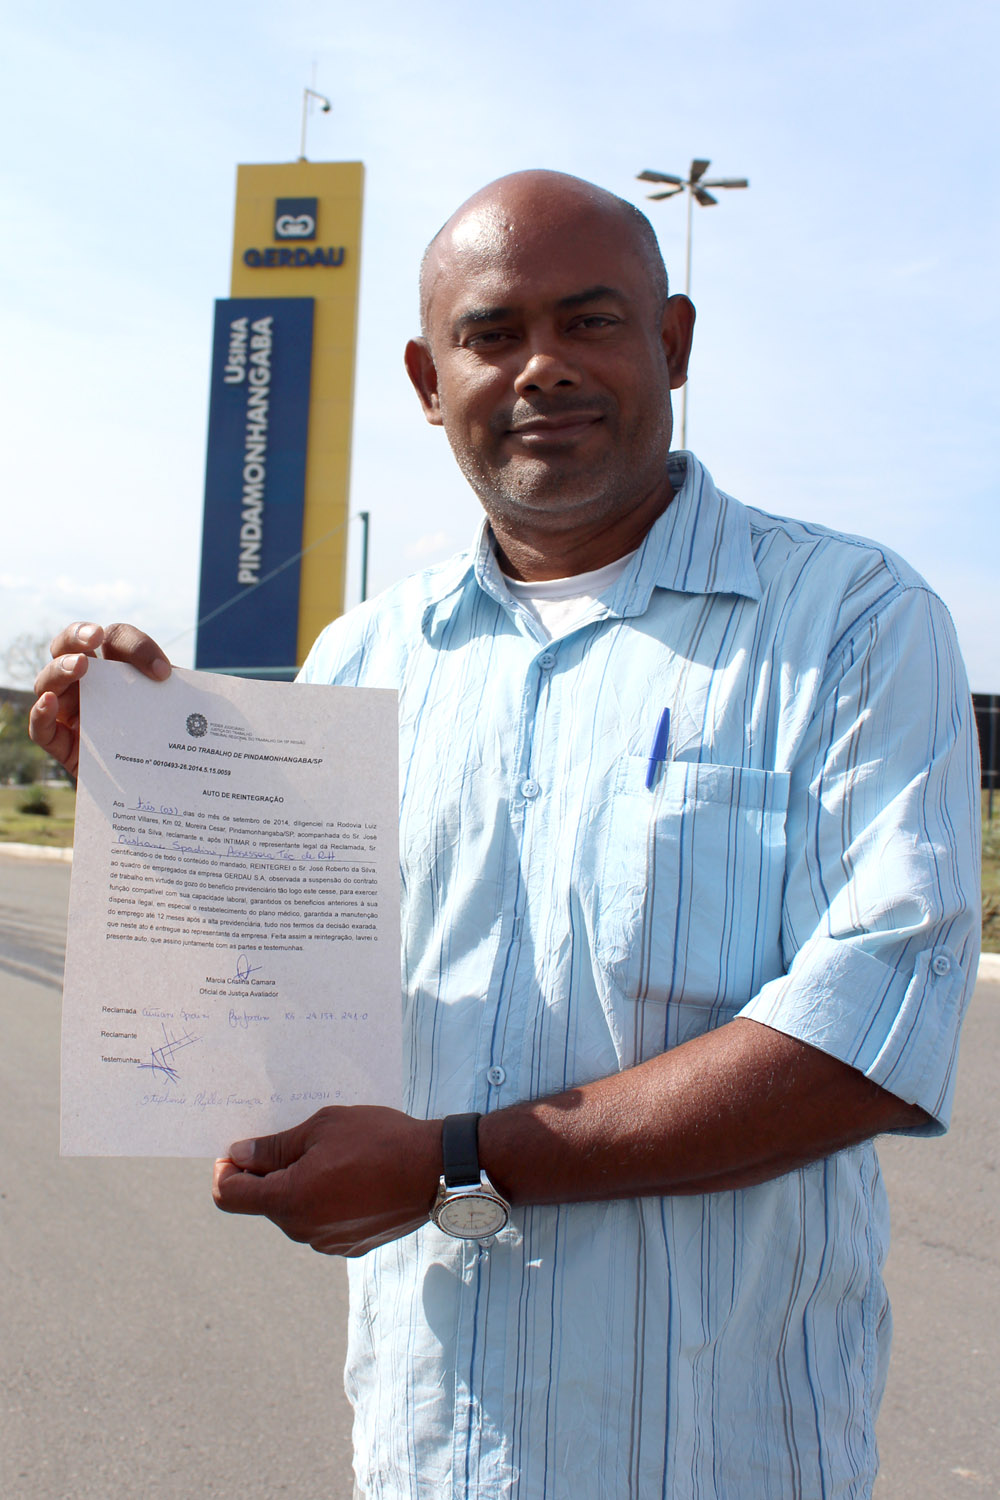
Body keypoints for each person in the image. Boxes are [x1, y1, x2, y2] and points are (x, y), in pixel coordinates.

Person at [31, 171, 980, 1499]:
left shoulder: (851, 621)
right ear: (430, 382)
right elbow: (289, 993)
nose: (543, 367)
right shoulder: (363, 661)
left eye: (590, 321)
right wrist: (154, 795)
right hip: (432, 1450)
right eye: (492, 335)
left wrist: (458, 1164)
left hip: (722, 1454)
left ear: (673, 344)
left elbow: (869, 1034)